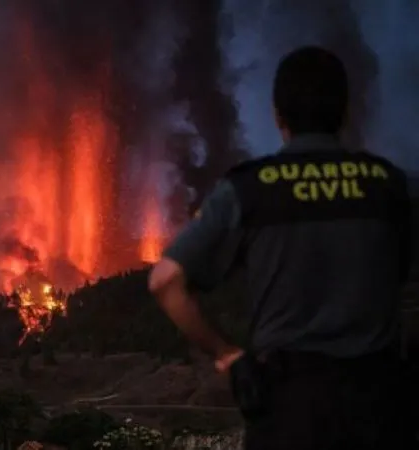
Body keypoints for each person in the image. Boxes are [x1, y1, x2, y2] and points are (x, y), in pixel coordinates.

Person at [149, 46, 415, 449]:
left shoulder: (251, 188)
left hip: (289, 412)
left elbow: (164, 280)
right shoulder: (389, 186)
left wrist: (228, 355)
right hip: (379, 411)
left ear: (277, 116)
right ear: (345, 112)